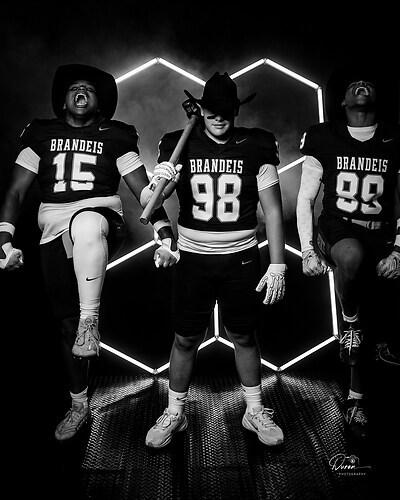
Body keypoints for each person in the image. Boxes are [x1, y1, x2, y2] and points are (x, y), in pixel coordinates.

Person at [0, 63, 179, 441]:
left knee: (86, 223)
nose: (81, 92)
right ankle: (79, 404)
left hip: (102, 221)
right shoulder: (40, 133)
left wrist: (164, 228)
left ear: (101, 102)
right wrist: (4, 239)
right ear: (63, 98)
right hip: (53, 230)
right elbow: (16, 190)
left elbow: (143, 192)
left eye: (89, 89)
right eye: (74, 88)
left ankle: (90, 320)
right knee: (66, 325)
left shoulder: (116, 135)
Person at [143, 72, 287, 449]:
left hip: (241, 258)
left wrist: (277, 263)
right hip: (192, 258)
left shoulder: (257, 145)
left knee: (244, 335)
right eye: (212, 109)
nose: (219, 117)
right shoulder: (178, 143)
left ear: (236, 110)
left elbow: (272, 211)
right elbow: (152, 201)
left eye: (226, 110)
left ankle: (254, 410)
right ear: (201, 110)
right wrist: (160, 180)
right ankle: (175, 412)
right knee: (185, 338)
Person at [296, 61, 400, 441]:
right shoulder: (323, 136)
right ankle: (349, 322)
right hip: (336, 231)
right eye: (353, 82)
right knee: (352, 259)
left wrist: (398, 251)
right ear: (340, 100)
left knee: (375, 321)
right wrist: (307, 250)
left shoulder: (393, 137)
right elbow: (305, 199)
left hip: (380, 235)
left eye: (368, 81)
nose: (361, 85)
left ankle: (357, 400)